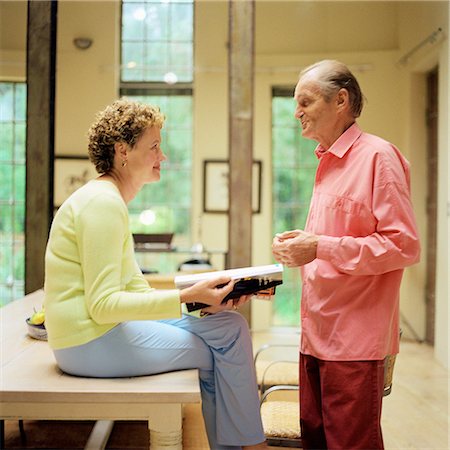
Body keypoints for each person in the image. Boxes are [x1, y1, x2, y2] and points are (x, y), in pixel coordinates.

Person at [44, 99, 267, 450]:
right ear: (123, 151)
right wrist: (187, 297)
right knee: (215, 350)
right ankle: (246, 447)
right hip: (86, 341)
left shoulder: (109, 200)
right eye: (154, 146)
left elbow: (134, 289)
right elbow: (103, 306)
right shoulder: (103, 204)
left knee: (230, 326)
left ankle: (242, 445)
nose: (162, 156)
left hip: (100, 332)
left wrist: (204, 298)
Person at [272, 60, 420, 450]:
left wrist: (319, 246)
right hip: (316, 335)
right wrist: (301, 245)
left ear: (341, 101)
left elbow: (403, 245)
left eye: (305, 102)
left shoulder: (378, 157)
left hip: (354, 343)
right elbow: (337, 240)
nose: (296, 112)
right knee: (316, 441)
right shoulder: (327, 162)